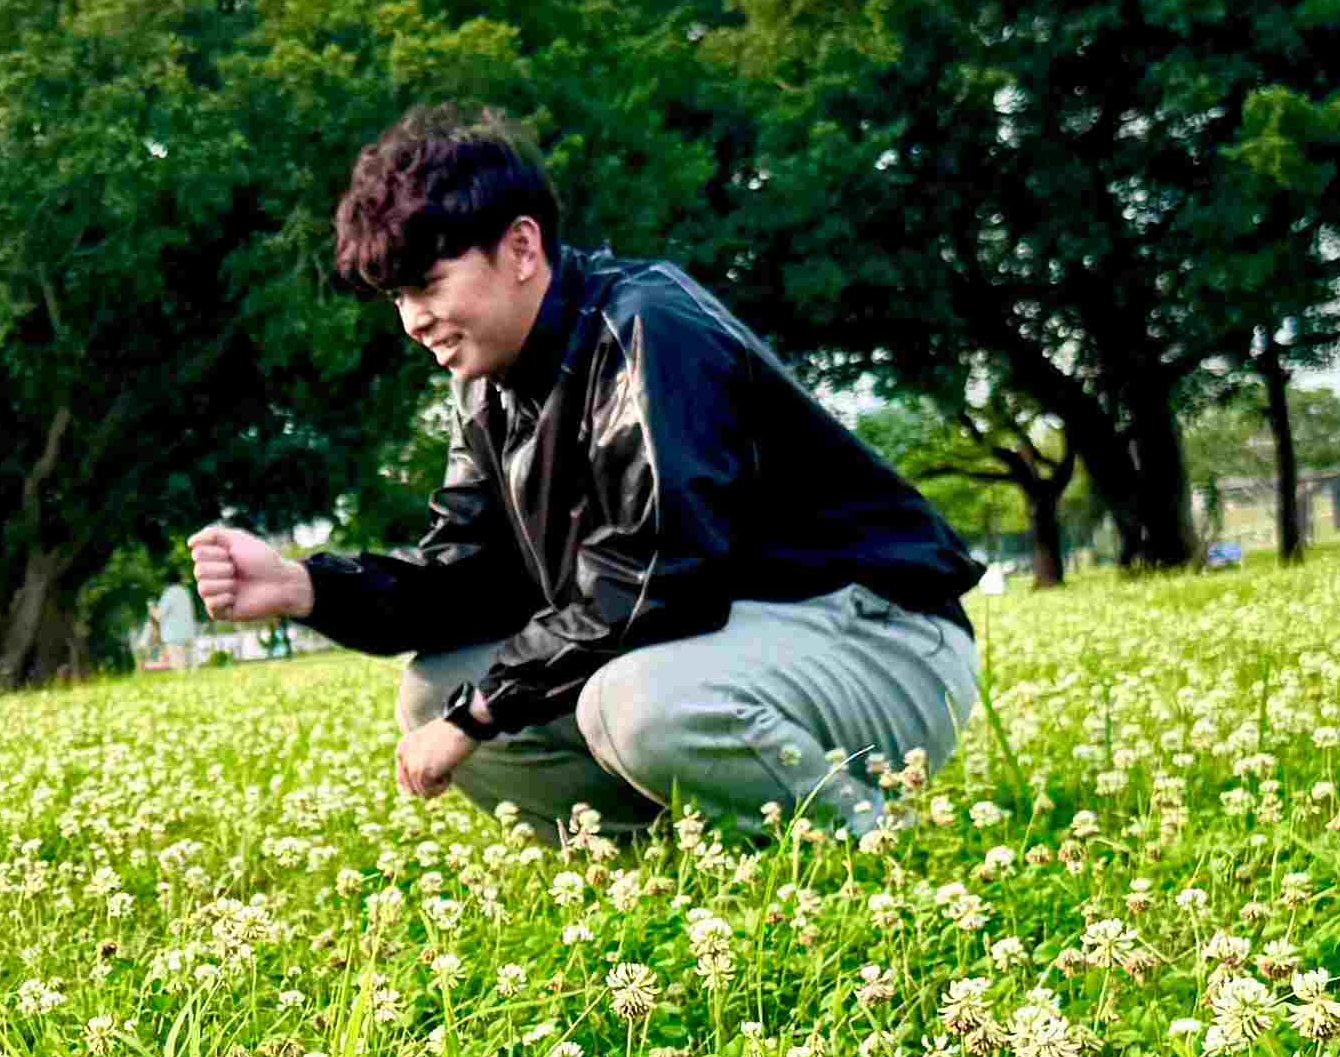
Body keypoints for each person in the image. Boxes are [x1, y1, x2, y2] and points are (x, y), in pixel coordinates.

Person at [187, 109, 984, 842]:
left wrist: (480, 716)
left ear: (523, 247)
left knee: (626, 704)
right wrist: (306, 588)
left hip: (881, 634)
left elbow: (657, 575)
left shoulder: (649, 328)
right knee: (435, 690)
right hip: (730, 642)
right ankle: (694, 865)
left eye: (428, 285)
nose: (413, 320)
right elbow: (467, 582)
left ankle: (868, 845)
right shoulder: (488, 389)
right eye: (398, 297)